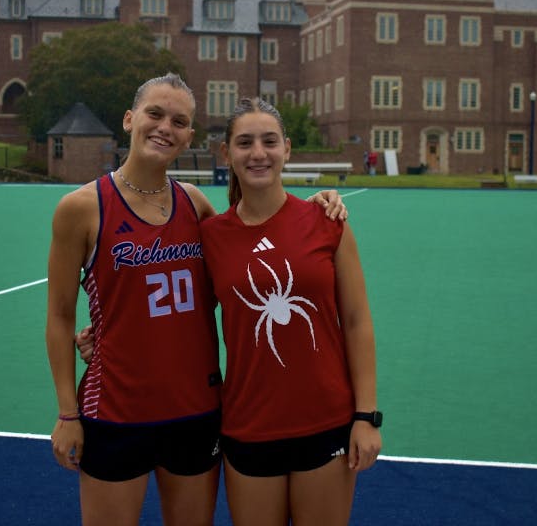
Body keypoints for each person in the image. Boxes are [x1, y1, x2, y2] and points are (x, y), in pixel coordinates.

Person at [46, 73, 346, 526]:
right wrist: (68, 411)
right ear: (130, 119)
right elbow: (59, 316)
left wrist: (319, 203)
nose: (165, 126)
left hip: (196, 413)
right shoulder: (81, 208)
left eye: (179, 120)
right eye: (155, 114)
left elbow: (254, 241)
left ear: (188, 136)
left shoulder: (196, 206)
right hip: (115, 410)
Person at [199, 97, 381, 525]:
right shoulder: (210, 237)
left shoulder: (327, 221)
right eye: (244, 143)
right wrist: (106, 335)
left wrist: (366, 416)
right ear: (226, 153)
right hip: (248, 425)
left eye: (269, 141)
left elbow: (356, 323)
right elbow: (181, 320)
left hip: (326, 422)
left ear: (287, 148)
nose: (258, 153)